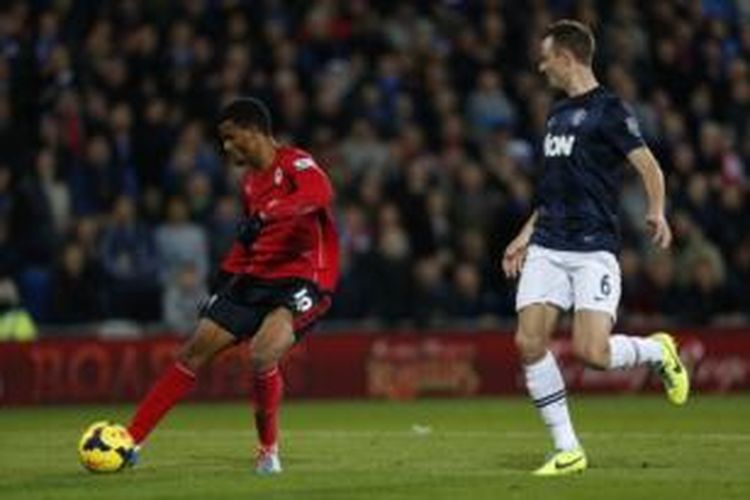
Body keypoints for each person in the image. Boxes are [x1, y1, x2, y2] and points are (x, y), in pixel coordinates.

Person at [501, 20, 688, 477]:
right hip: (548, 243)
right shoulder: (555, 116)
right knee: (528, 341)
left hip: (593, 249)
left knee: (593, 353)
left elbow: (649, 167)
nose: (541, 66)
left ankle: (658, 352)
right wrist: (526, 234)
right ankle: (568, 449)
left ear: (566, 57)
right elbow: (552, 190)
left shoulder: (609, 110)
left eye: (546, 57)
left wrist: (657, 211)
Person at [124, 97, 340, 474]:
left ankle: (268, 450)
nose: (225, 146)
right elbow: (249, 240)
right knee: (193, 352)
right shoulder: (249, 183)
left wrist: (269, 213)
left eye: (230, 137)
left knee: (262, 353)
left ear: (254, 131)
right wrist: (222, 282)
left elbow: (319, 196)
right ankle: (129, 441)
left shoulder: (296, 163)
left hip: (306, 277)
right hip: (256, 277)